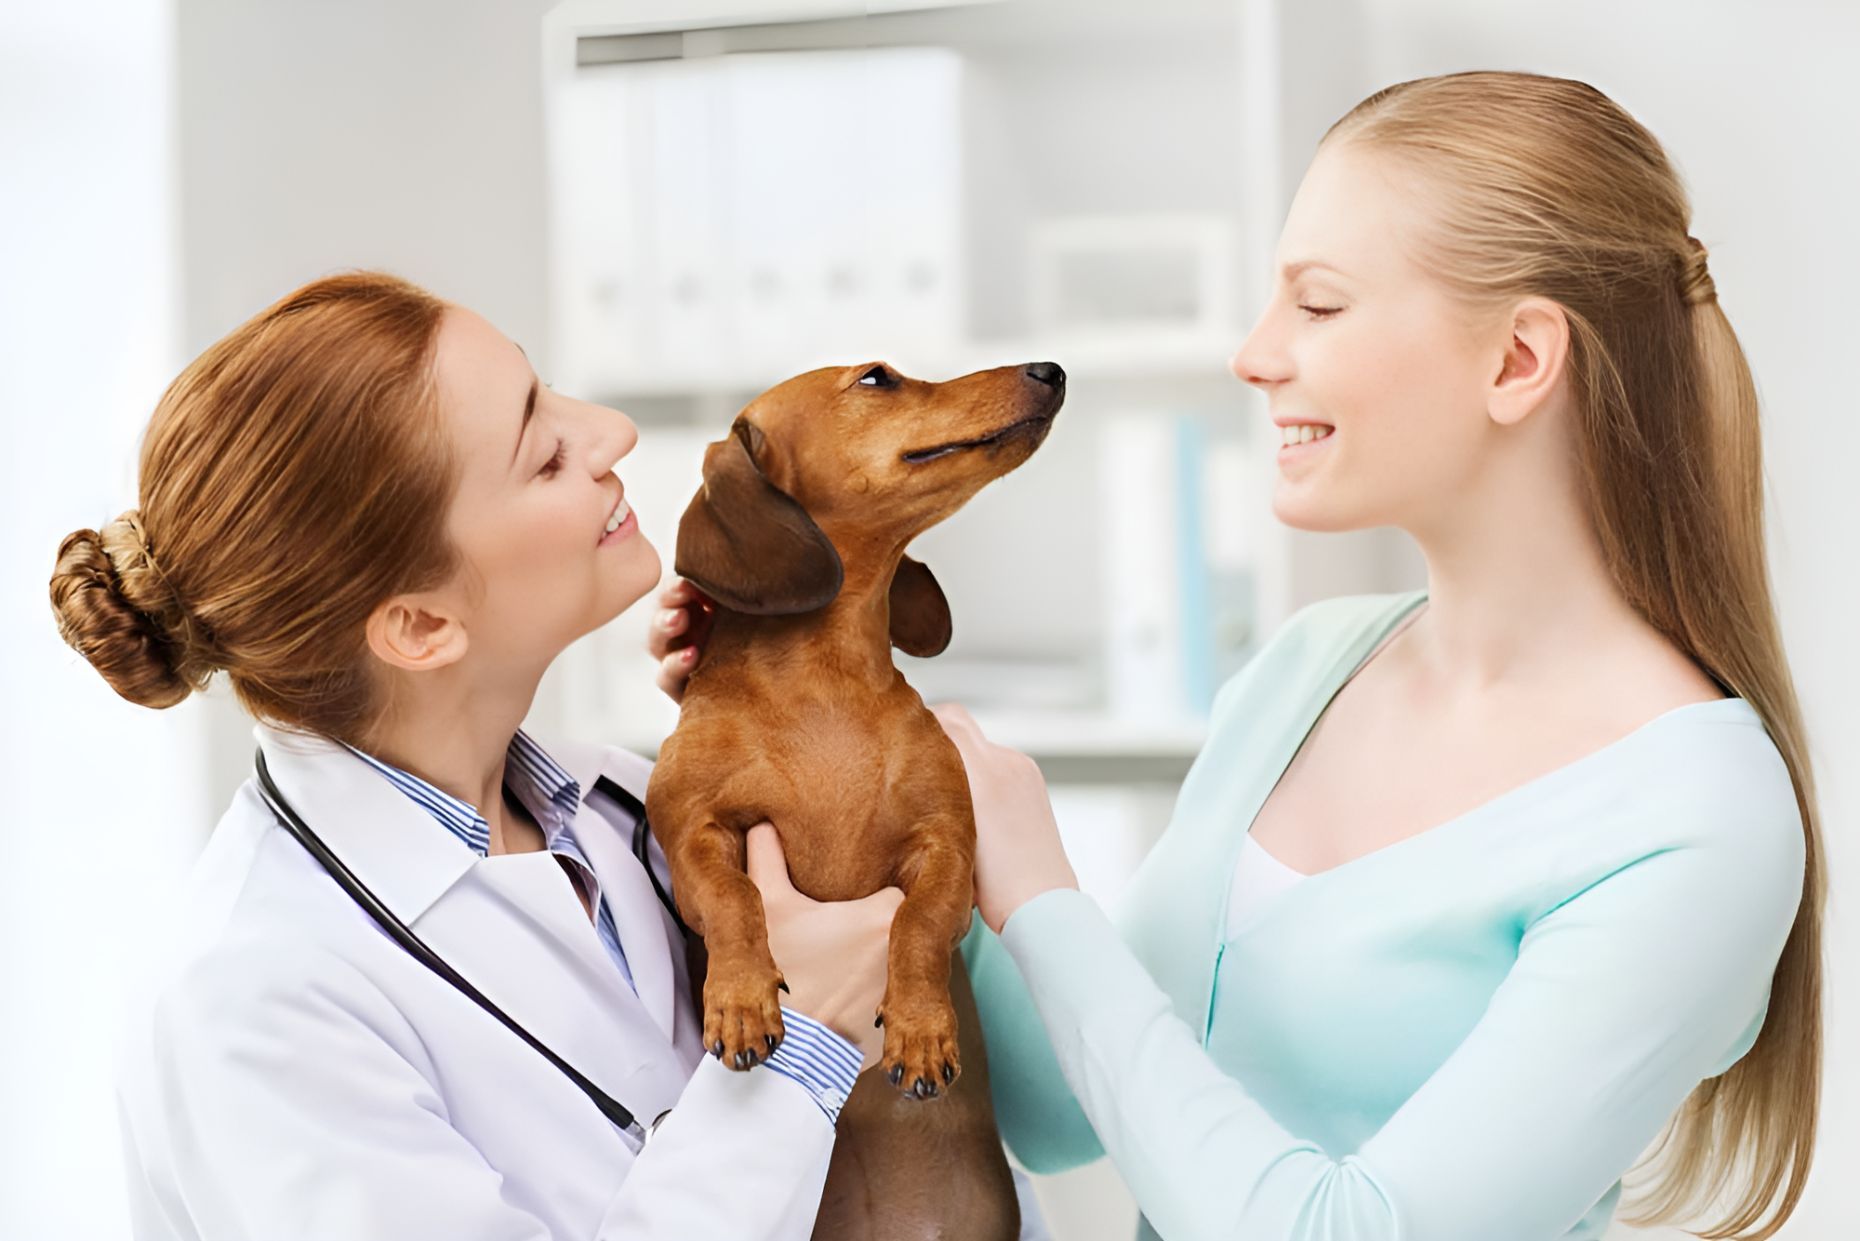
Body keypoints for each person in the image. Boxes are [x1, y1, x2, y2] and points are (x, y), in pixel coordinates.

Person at [652, 71, 1824, 1241]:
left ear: (1517, 360)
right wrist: (821, 736)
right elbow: (1064, 1108)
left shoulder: (1695, 817)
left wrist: (1043, 889)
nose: (1253, 356)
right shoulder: (1307, 671)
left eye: (1317, 305)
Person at [50, 271, 906, 1240]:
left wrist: (774, 719)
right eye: (544, 454)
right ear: (419, 625)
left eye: (547, 390)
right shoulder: (252, 1000)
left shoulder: (626, 803)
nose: (613, 431)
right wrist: (805, 1045)